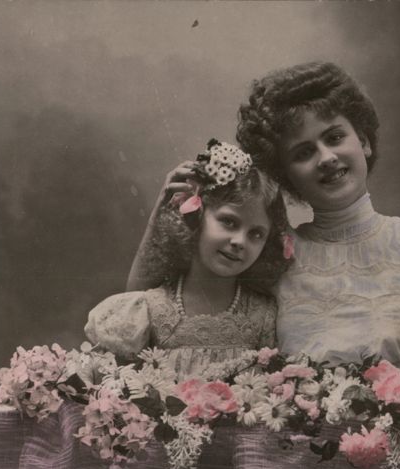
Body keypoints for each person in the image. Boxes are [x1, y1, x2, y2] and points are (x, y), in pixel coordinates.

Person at [128, 62, 400, 375]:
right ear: (285, 176)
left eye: (334, 138)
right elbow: (146, 306)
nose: (326, 158)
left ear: (364, 141)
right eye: (303, 153)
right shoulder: (273, 252)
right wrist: (163, 208)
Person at [87, 140, 291, 379]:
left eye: (256, 234)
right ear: (196, 215)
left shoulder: (265, 316)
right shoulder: (152, 308)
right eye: (229, 222)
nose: (239, 241)